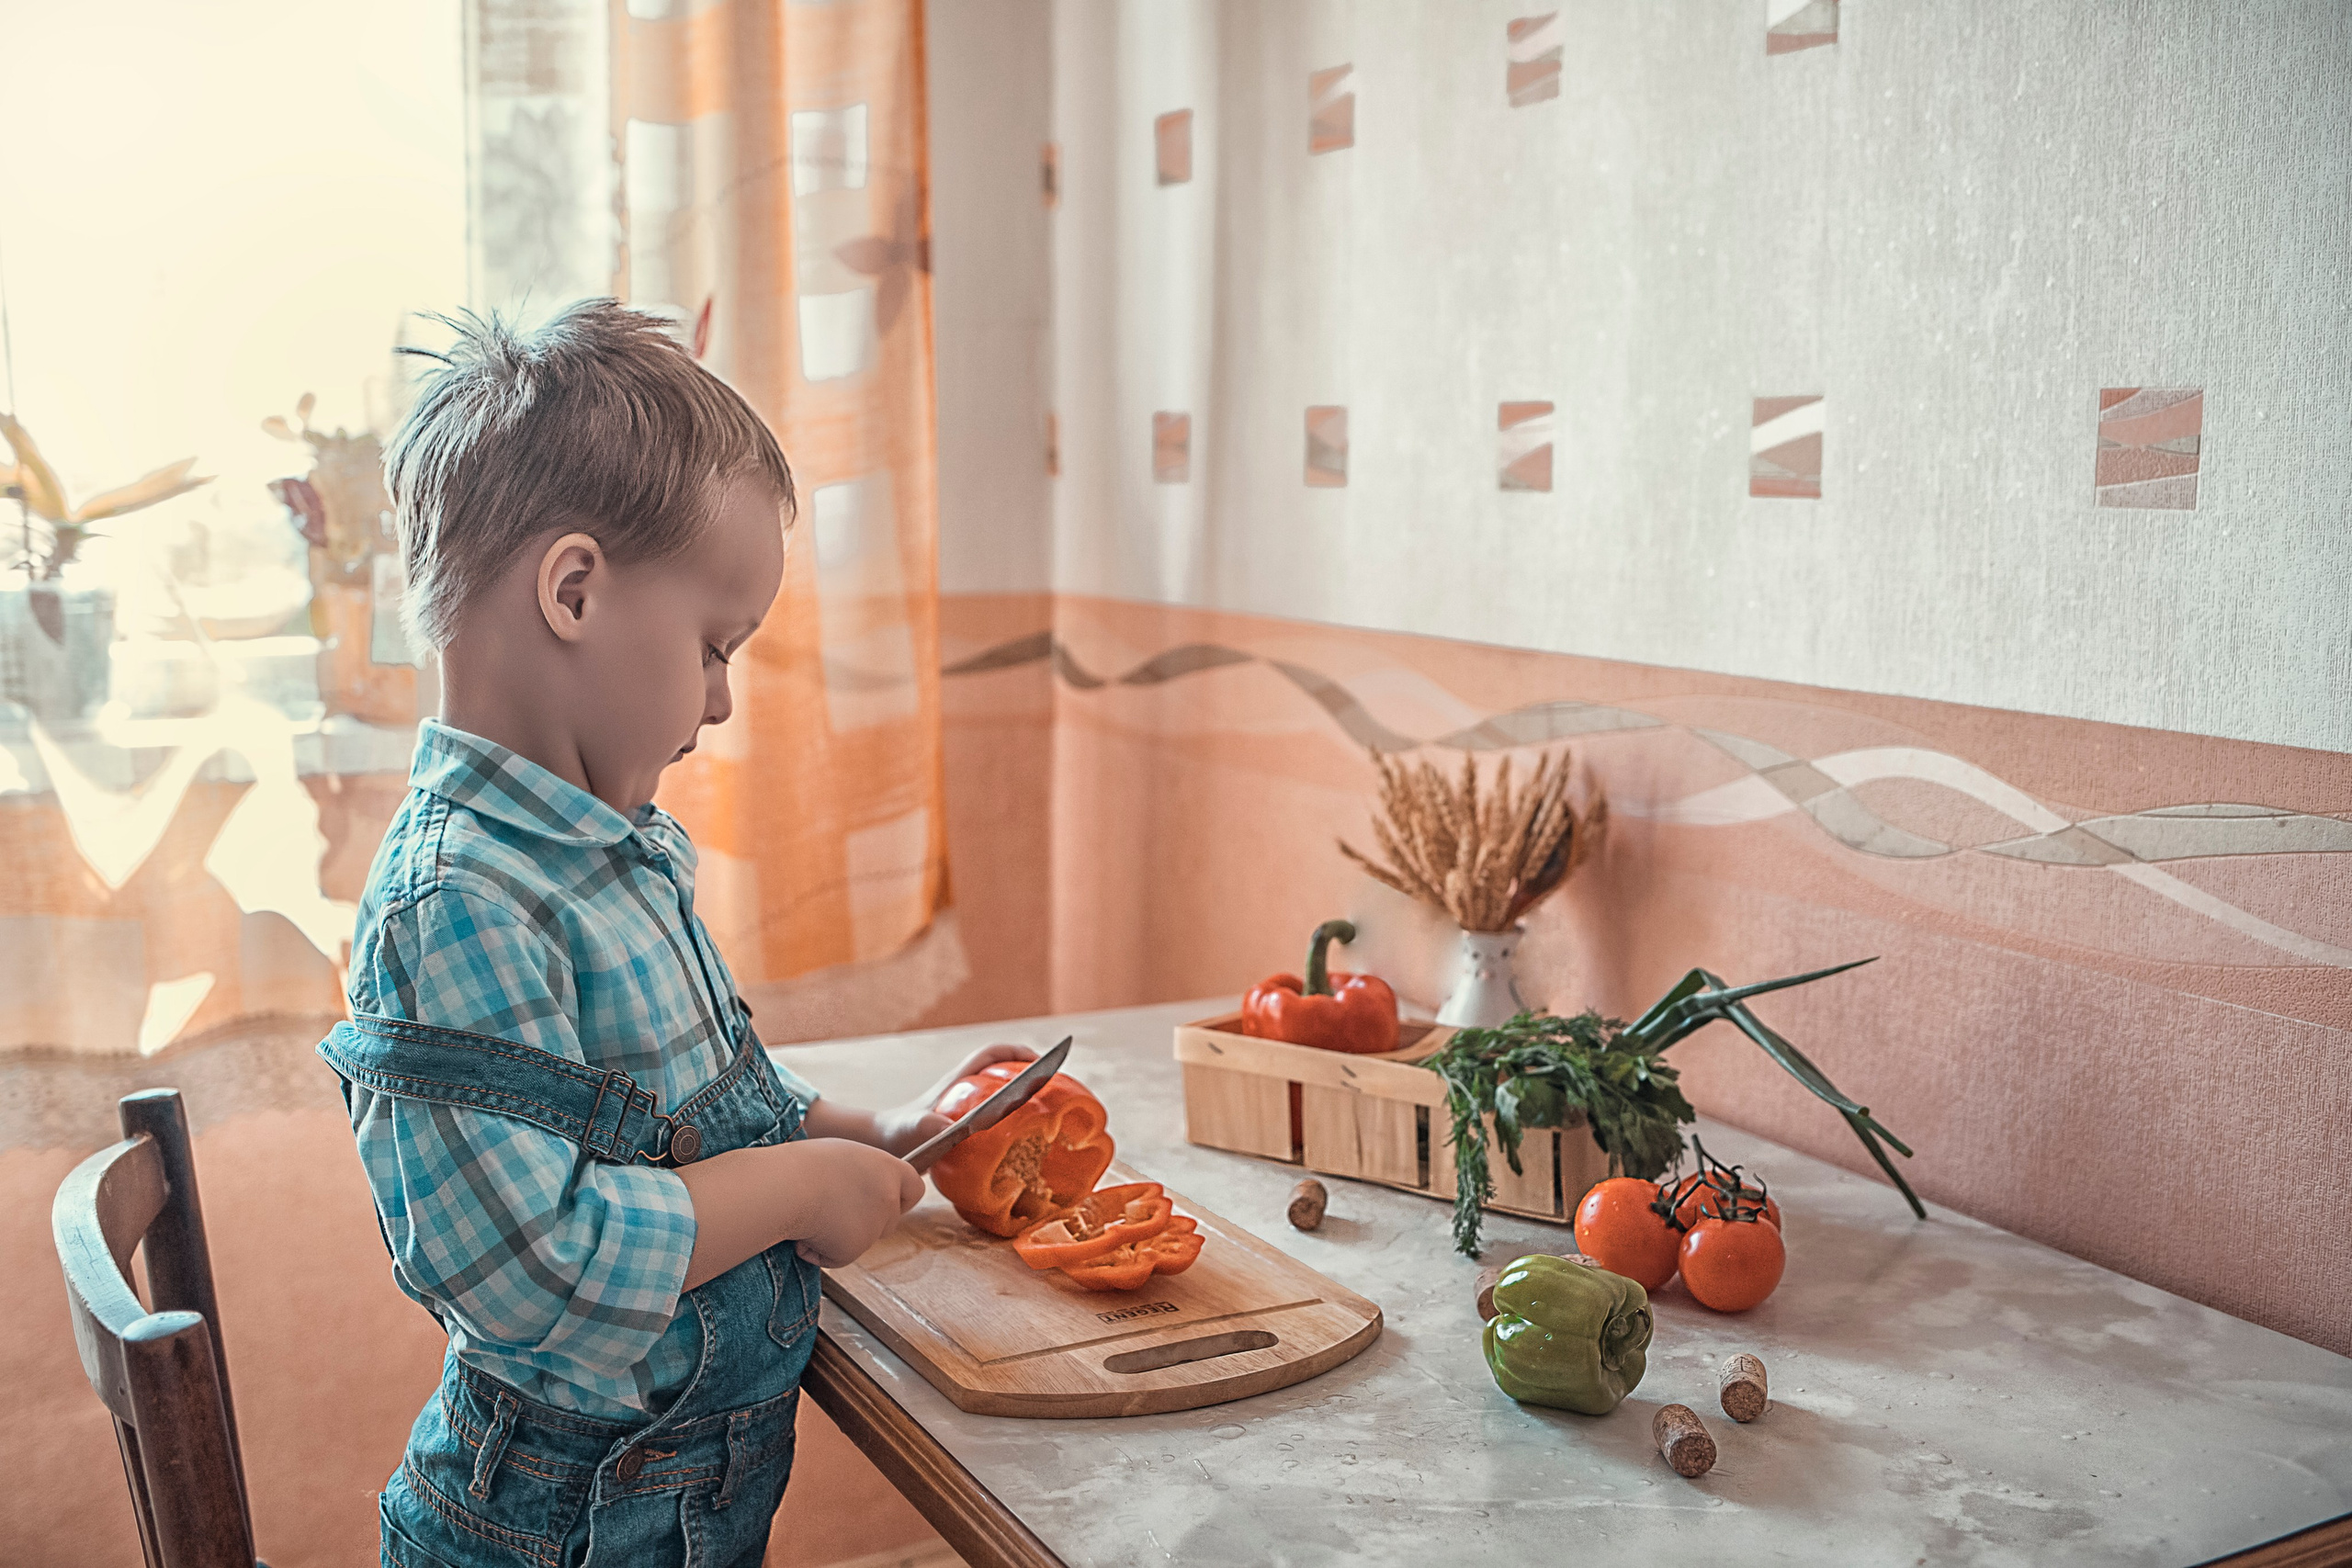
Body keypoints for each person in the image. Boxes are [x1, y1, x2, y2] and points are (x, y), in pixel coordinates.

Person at [316, 299, 1025, 1568]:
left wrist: (853, 1134)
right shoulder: (463, 903)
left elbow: (686, 1110)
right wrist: (801, 1189)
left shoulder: (602, 849)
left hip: (671, 1519)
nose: (724, 699)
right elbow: (545, 1269)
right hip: (554, 1537)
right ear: (575, 590)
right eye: (712, 646)